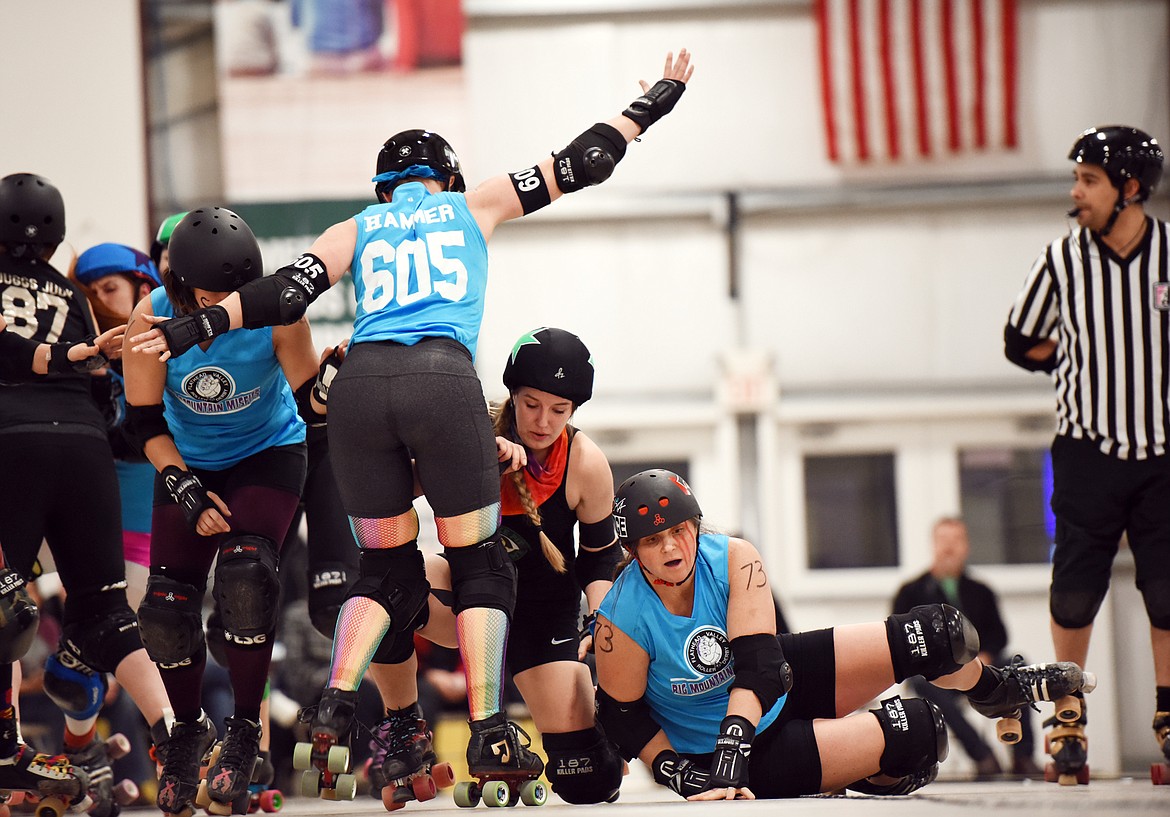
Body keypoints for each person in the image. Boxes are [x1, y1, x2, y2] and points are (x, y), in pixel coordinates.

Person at [129, 48, 696, 790]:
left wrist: (192, 329)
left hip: (361, 385)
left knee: (385, 567)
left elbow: (285, 294)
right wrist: (651, 104)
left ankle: (336, 701)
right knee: (478, 562)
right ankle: (491, 730)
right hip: (440, 376)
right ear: (447, 179)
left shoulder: (357, 226)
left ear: (383, 187)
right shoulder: (474, 203)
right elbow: (583, 160)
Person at [593, 469, 1095, 800]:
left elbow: (762, 667)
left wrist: (734, 737)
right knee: (918, 734)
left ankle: (994, 690)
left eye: (680, 530)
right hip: (724, 747)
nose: (672, 547)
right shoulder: (621, 614)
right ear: (634, 552)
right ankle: (848, 768)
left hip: (765, 694)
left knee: (941, 633)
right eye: (653, 540)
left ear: (697, 527)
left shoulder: (731, 556)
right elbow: (623, 717)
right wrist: (677, 772)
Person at [121, 206, 330, 814]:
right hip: (188, 461)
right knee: (164, 608)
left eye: (232, 295)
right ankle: (187, 731)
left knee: (246, 577)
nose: (220, 308)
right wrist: (183, 486)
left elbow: (308, 401)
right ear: (181, 285)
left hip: (269, 453)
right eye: (209, 295)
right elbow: (143, 423)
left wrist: (335, 380)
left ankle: (244, 730)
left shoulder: (277, 313)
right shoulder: (150, 317)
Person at [364, 327, 625, 805]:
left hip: (543, 618)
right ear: (512, 394)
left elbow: (600, 558)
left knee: (590, 782)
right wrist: (476, 460)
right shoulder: (474, 429)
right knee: (382, 589)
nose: (543, 421)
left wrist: (603, 627)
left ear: (573, 412)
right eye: (531, 404)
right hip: (470, 597)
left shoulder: (585, 462)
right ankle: (404, 728)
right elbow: (396, 490)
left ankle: (602, 725)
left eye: (559, 410)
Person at [0, 172, 172, 817]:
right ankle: (176, 735)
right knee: (102, 620)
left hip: (14, 448)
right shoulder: (70, 298)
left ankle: (9, 745)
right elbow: (108, 408)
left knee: (4, 603)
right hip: (83, 457)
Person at [1004, 125, 1170, 781]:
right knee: (1074, 592)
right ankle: (1067, 712)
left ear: (1130, 188)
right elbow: (1020, 342)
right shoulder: (1063, 258)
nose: (1076, 192)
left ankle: (1168, 713)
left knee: (1166, 591)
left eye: (1089, 180)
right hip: (1087, 451)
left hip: (1162, 455)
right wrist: (1080, 358)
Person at [892, 517, 1042, 779]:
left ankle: (1024, 757)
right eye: (944, 541)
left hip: (982, 666)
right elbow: (900, 639)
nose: (949, 548)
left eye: (956, 541)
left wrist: (983, 656)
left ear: (966, 546)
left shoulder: (981, 591)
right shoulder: (911, 592)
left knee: (1020, 665)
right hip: (937, 674)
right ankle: (982, 756)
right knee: (922, 683)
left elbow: (999, 635)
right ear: (933, 545)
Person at [71, 242, 165, 609]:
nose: (98, 304)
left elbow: (133, 438)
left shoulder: (170, 353)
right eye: (89, 296)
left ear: (144, 291)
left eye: (109, 289)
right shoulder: (82, 358)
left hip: (147, 536)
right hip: (87, 532)